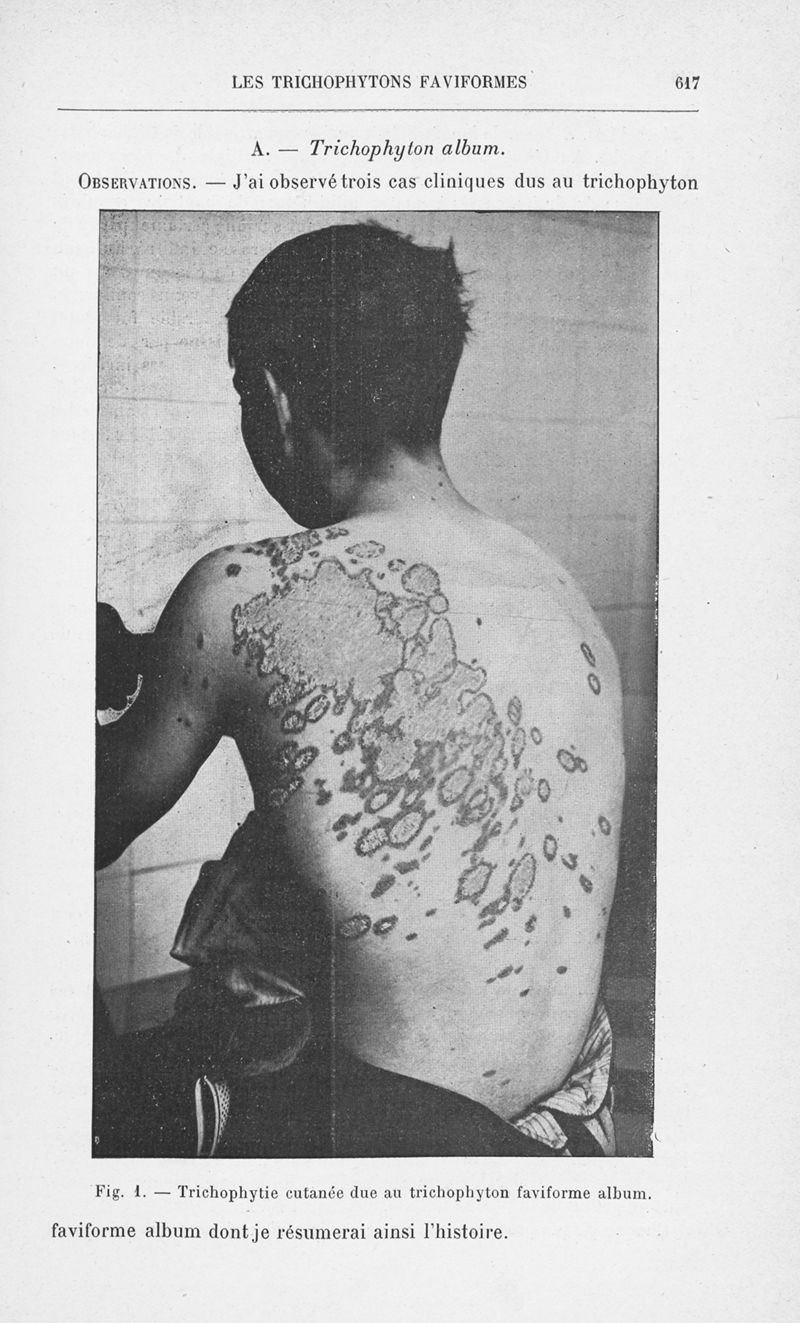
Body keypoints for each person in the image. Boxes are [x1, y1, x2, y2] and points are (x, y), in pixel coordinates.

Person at [95, 222, 624, 1157]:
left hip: (385, 1145)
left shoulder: (245, 594)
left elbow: (83, 822)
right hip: (566, 1137)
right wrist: (154, 657)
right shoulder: (555, 591)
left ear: (272, 398)